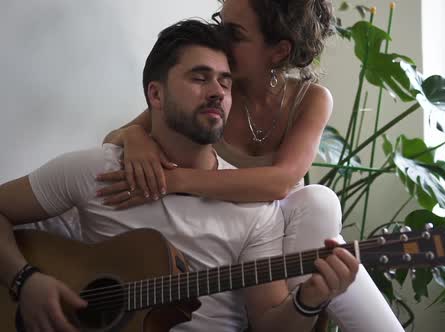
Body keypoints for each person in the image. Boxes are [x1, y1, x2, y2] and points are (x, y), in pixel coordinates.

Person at [0, 19, 359, 332]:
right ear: (155, 94)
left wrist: (309, 300)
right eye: (200, 78)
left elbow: (271, 325)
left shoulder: (255, 212)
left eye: (225, 82)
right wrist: (24, 279)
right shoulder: (98, 172)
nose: (218, 92)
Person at [97, 1, 405, 331]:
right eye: (220, 23)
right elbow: (111, 141)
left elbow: (280, 183)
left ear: (277, 51)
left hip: (290, 248)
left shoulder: (310, 98)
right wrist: (133, 137)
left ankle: (293, 308)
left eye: (234, 33)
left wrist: (174, 181)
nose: (218, 37)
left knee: (318, 203)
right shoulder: (213, 96)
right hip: (232, 248)